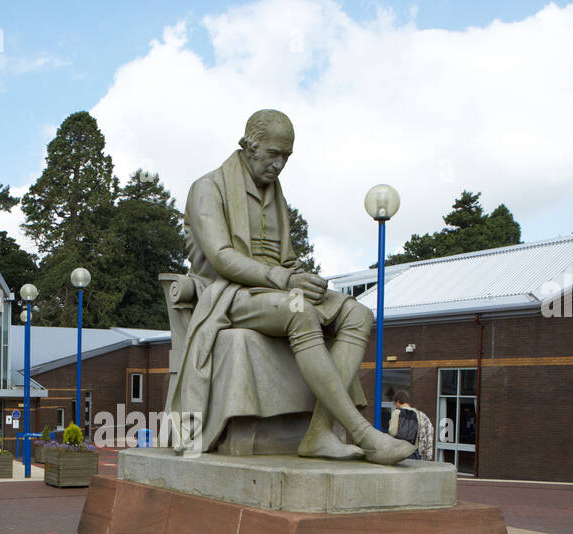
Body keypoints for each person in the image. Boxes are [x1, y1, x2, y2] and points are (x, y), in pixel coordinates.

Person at [164, 109, 415, 465]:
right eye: (273, 154)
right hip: (229, 294)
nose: (280, 164)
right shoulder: (208, 188)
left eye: (286, 156)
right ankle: (363, 433)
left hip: (277, 291)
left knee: (358, 314)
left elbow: (286, 258)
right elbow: (221, 258)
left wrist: (304, 278)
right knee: (301, 313)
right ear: (249, 147)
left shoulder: (275, 193)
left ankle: (319, 433)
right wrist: (286, 280)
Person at [388, 390, 434, 461]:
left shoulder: (397, 412)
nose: (395, 405)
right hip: (414, 452)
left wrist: (390, 424)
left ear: (398, 401)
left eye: (394, 403)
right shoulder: (419, 414)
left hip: (400, 452)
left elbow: (392, 432)